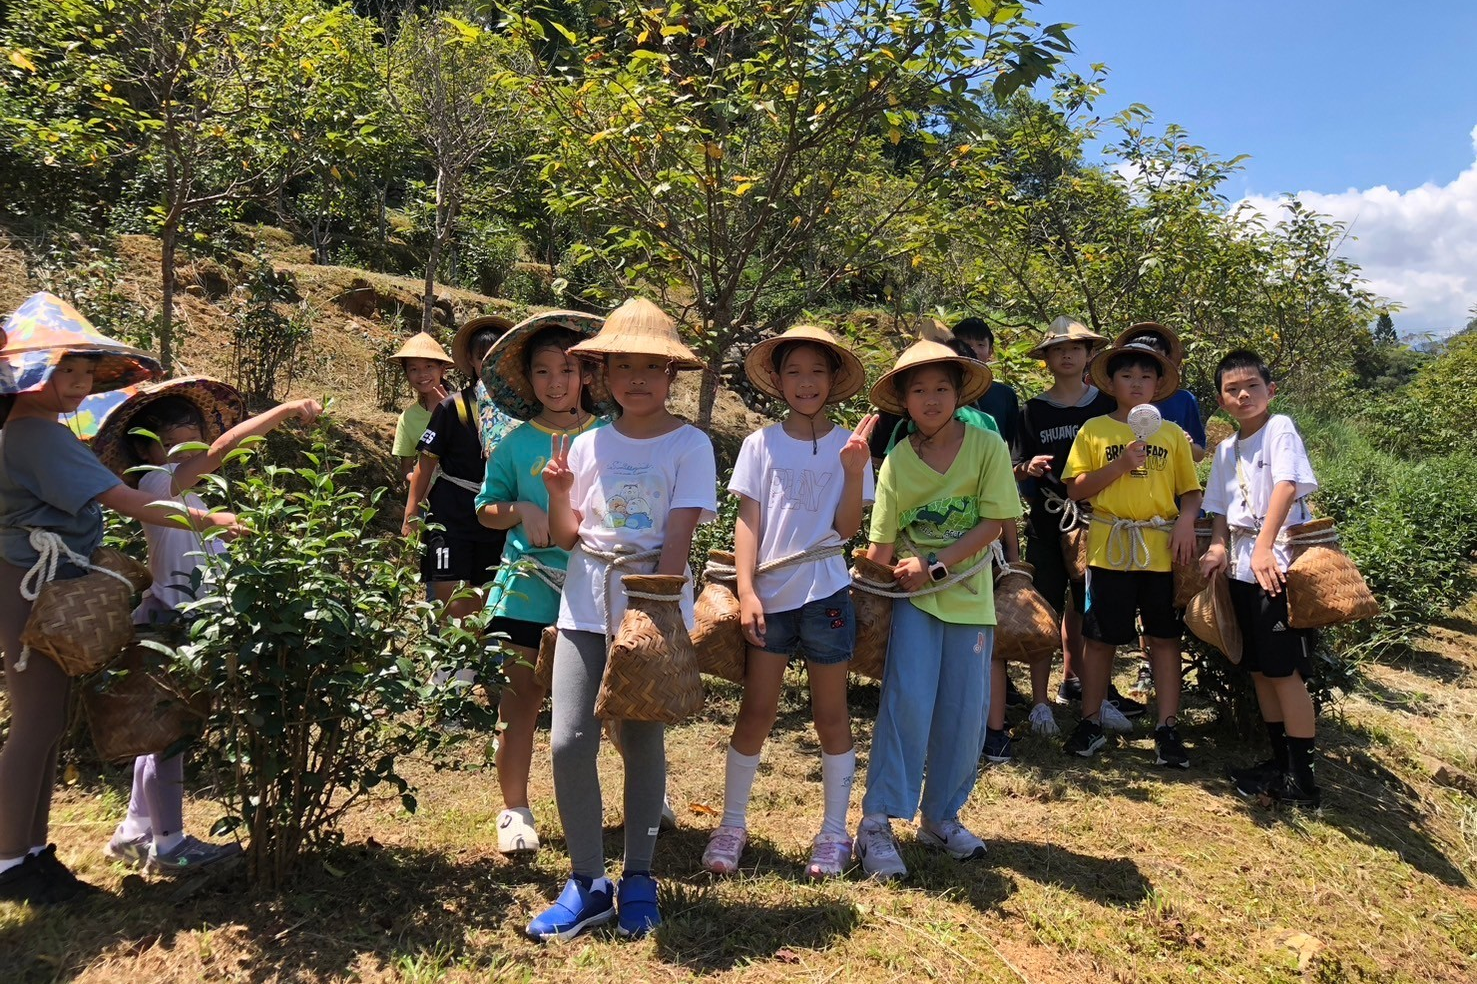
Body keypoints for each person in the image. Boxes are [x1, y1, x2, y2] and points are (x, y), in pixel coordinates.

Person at [0, 293, 239, 905]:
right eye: (65, 372)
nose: (78, 384)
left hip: (35, 581)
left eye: (85, 373)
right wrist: (210, 521)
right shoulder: (34, 435)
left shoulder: (35, 433)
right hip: (26, 583)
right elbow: (129, 502)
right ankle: (10, 861)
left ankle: (30, 853)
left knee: (46, 722)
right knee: (35, 724)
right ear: (29, 373)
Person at [527, 298, 716, 941]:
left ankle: (638, 875)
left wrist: (652, 615)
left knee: (641, 743)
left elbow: (679, 537)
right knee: (568, 740)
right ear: (602, 375)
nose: (637, 378)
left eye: (651, 366)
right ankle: (587, 881)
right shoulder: (584, 446)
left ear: (671, 376)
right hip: (584, 600)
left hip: (650, 605)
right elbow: (567, 536)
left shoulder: (690, 445)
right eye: (623, 366)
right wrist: (557, 494)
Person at [91, 378, 321, 874]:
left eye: (193, 435)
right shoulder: (157, 483)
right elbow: (223, 449)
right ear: (148, 447)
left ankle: (135, 831)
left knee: (161, 730)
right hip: (175, 623)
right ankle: (170, 843)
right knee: (171, 737)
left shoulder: (181, 493)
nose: (193, 448)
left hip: (182, 618)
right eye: (180, 440)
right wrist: (283, 409)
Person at [701, 326, 876, 880]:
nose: (806, 382)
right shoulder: (760, 444)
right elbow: (748, 521)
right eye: (794, 372)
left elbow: (846, 529)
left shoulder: (853, 447)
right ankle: (732, 823)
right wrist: (748, 590)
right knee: (757, 710)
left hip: (826, 595)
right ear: (776, 380)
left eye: (817, 372)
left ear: (833, 381)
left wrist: (852, 473)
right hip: (771, 598)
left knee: (831, 715)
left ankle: (832, 833)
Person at [852, 339, 1021, 881]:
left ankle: (941, 817)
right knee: (905, 707)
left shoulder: (987, 446)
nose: (931, 399)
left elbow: (994, 522)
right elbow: (880, 545)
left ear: (957, 394)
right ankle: (876, 823)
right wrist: (867, 591)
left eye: (941, 388)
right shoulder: (897, 461)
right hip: (914, 605)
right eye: (919, 390)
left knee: (964, 714)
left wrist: (936, 564)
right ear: (903, 400)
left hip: (970, 601)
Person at [474, 311, 607, 855]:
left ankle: (646, 792)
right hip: (526, 586)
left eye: (569, 369)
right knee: (519, 700)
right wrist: (519, 507)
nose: (557, 382)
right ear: (529, 380)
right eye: (545, 371)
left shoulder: (607, 437)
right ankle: (515, 809)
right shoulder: (513, 445)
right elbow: (485, 509)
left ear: (588, 376)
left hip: (593, 588)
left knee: (610, 699)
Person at [1061, 340, 1202, 767]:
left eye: (1146, 376)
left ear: (1159, 384)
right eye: (1127, 376)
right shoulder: (1094, 430)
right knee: (1100, 638)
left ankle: (1167, 727)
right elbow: (1075, 488)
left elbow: (1190, 492)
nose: (1136, 383)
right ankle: (1091, 720)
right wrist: (1120, 465)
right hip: (1110, 549)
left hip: (1160, 551)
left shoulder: (1172, 433)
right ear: (1112, 383)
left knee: (1163, 638)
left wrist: (1183, 521)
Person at [1200, 350, 1321, 807]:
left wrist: (1268, 547)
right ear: (1221, 399)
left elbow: (1287, 487)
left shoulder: (1279, 428)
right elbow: (1217, 510)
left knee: (1285, 672)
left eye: (1251, 385)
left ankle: (1304, 782)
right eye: (1232, 389)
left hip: (1279, 565)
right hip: (1243, 568)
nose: (1243, 394)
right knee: (1259, 670)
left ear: (1270, 391)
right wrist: (1217, 547)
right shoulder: (1227, 449)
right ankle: (1279, 764)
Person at [996, 317, 1116, 761]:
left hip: (1100, 523)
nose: (1066, 355)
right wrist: (1026, 470)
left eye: (1076, 348)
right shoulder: (1032, 411)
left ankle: (1095, 701)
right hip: (1048, 523)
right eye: (1057, 349)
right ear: (1046, 359)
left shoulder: (1105, 404)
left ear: (1088, 355)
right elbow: (1015, 466)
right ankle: (1041, 702)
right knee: (1044, 610)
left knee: (1091, 610)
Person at [1114, 322, 1206, 700]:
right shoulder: (1118, 404)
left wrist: (1185, 445)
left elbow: (1198, 454)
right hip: (1124, 521)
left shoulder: (1182, 401)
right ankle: (1144, 664)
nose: (1140, 379)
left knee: (1166, 604)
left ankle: (1163, 675)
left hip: (1169, 513)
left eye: (1156, 362)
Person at [402, 315, 514, 624]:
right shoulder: (455, 406)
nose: (490, 364)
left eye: (498, 356)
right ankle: (446, 664)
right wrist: (411, 517)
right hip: (450, 514)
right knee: (447, 591)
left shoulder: (522, 413)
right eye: (483, 357)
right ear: (470, 361)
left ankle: (471, 665)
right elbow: (425, 464)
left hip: (496, 519)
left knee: (484, 595)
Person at [389, 332, 452, 482]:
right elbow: (406, 470)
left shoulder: (464, 406)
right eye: (414, 369)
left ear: (442, 369)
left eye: (429, 366)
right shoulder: (407, 418)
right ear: (407, 374)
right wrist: (422, 482)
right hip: (428, 502)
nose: (422, 374)